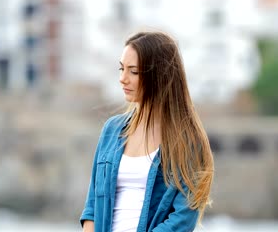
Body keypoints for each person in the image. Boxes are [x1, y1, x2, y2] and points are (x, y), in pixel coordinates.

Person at [80, 31, 214, 232]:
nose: (122, 79)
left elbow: (182, 219)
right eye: (121, 68)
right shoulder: (112, 130)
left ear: (159, 75)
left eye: (133, 71)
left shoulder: (187, 141)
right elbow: (92, 206)